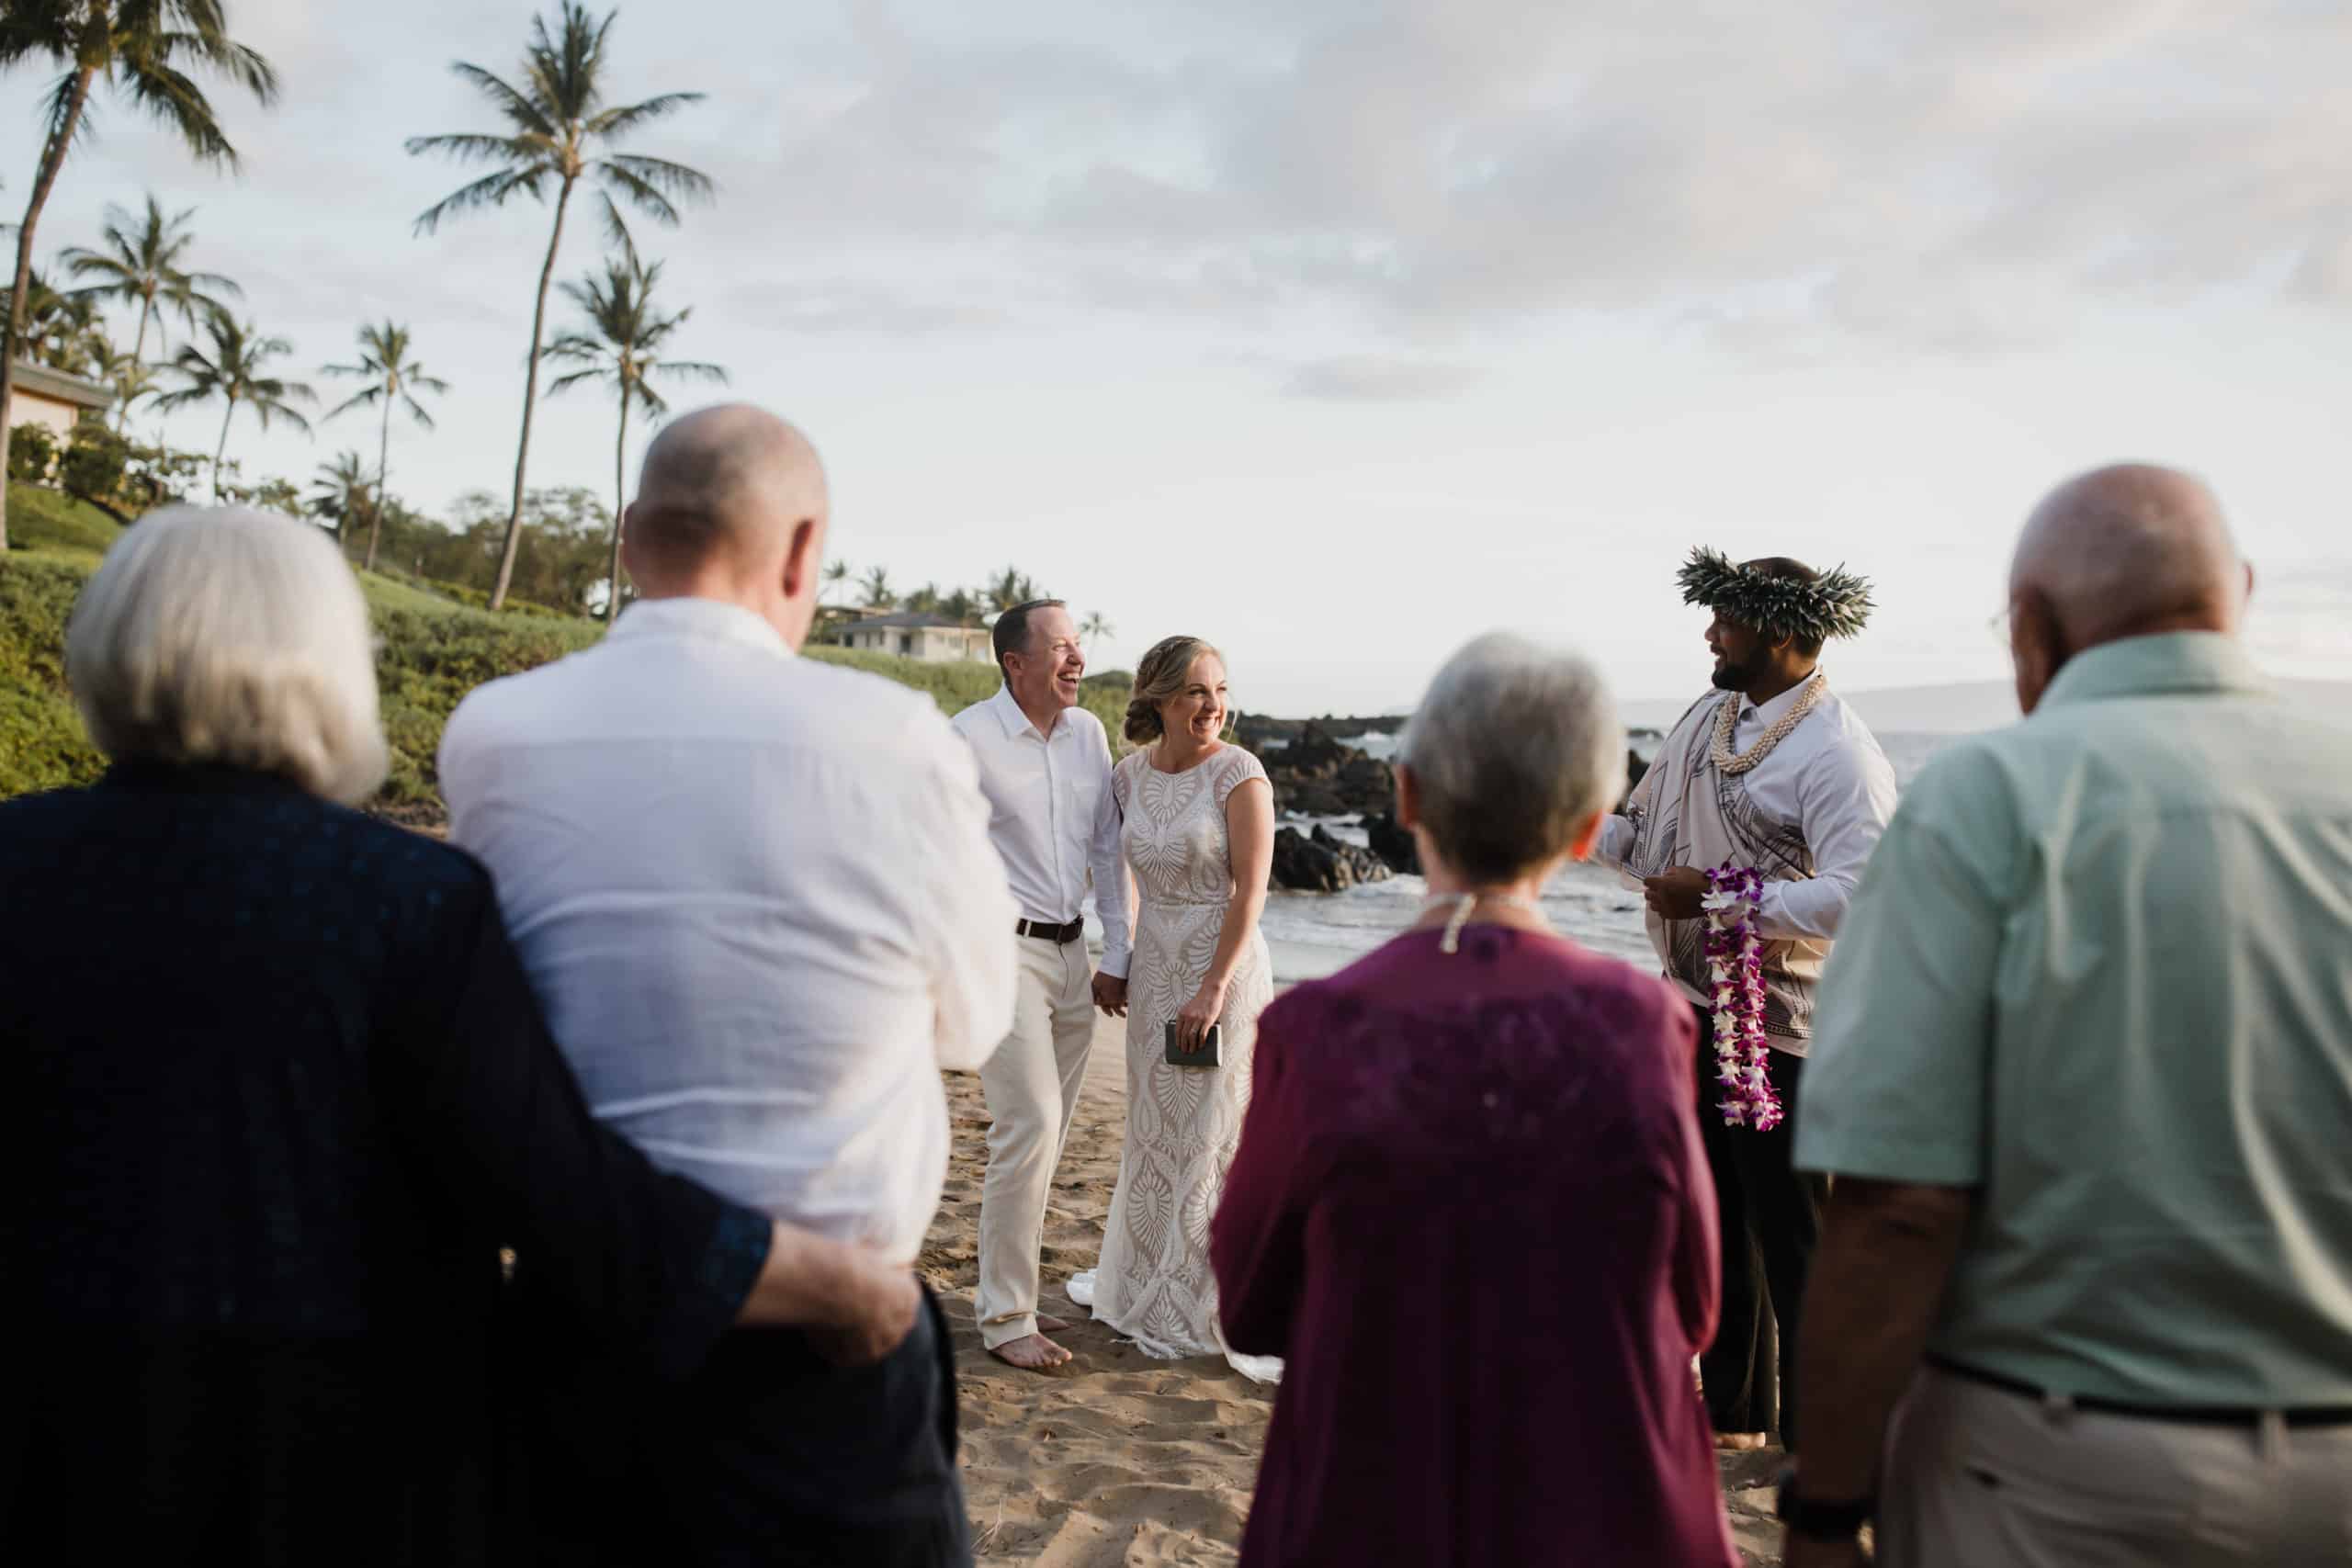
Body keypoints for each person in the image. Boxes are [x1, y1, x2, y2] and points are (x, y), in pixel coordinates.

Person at [0, 507, 920, 1566]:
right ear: (330, 664)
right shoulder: (401, 899)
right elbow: (561, 1196)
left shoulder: (15, 864)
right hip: (338, 1470)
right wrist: (827, 1280)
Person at [438, 406, 1017, 1567]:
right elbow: (973, 1026)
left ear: (627, 539)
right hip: (832, 1339)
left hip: (582, 1331)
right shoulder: (894, 736)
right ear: (802, 551)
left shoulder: (494, 733)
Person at [1782, 464, 2352, 1568]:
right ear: (2236, 591)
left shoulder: (1982, 798)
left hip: (2056, 1470)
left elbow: (1898, 1203)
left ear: (2032, 627)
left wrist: (1823, 1506)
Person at [1209, 633, 1739, 1567]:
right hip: (1597, 1505)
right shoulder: (1646, 1027)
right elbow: (1695, 1303)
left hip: (1371, 1499)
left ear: (1405, 795)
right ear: (1588, 829)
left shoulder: (1316, 1028)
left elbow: (1251, 1305)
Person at [1595, 549, 1897, 1450]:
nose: (1707, 632)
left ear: (1776, 629)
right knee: (1716, 1216)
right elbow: (1639, 831)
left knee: (1794, 1231)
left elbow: (1860, 893)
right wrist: (1546, 825)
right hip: (1692, 999)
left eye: (1723, 618)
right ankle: (1735, 1413)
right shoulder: (1705, 716)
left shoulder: (1836, 749)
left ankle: (1817, 1439)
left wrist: (1719, 898)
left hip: (1787, 1028)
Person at [1067, 635, 1277, 1382]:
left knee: (1213, 1131)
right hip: (1155, 968)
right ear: (1158, 697)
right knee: (1154, 1127)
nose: (1213, 705)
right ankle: (1147, 1285)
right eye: (1195, 691)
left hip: (1222, 971)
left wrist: (1215, 985)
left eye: (1220, 689)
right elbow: (1112, 873)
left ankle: (1212, 1298)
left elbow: (1251, 890)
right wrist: (1115, 959)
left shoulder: (1241, 775)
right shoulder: (1127, 777)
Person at [949, 599, 1134, 1371]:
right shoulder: (968, 737)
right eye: (1059, 646)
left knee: (1047, 1136)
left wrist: (1116, 951)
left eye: (1079, 644)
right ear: (1014, 662)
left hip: (1070, 956)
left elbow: (1106, 849)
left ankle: (1009, 1288)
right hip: (1002, 955)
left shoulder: (1090, 734)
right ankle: (1007, 1317)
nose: (1076, 658)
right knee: (1030, 1123)